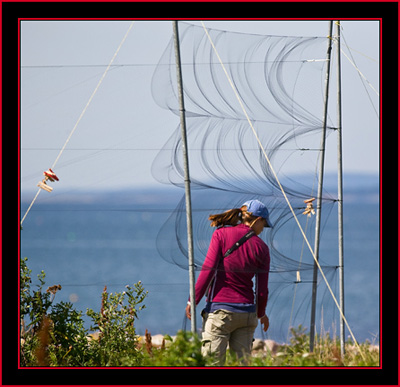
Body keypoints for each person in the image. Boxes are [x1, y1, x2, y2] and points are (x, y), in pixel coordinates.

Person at [185, 199, 271, 365]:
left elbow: (208, 270)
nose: (262, 230)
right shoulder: (263, 248)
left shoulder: (221, 235)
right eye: (264, 225)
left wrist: (193, 300)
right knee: (242, 364)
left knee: (212, 363)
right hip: (246, 315)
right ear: (257, 220)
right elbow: (261, 289)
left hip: (220, 313)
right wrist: (261, 313)